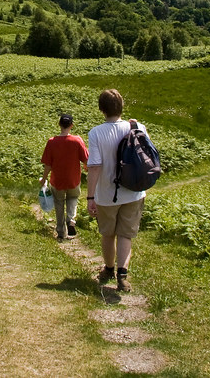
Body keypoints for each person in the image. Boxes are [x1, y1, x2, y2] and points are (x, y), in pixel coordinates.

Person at [86, 89, 147, 293]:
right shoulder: (138, 127)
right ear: (122, 106)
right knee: (125, 235)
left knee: (108, 234)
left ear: (101, 109)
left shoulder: (96, 133)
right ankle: (122, 275)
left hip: (106, 194)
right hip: (133, 191)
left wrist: (90, 196)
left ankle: (109, 269)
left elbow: (95, 166)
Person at [39, 113, 89, 241]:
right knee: (73, 198)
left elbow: (48, 164)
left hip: (57, 180)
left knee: (59, 203)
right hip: (73, 179)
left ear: (59, 124)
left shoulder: (52, 142)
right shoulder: (77, 140)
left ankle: (61, 231)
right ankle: (71, 220)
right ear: (71, 125)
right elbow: (86, 160)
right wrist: (86, 167)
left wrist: (44, 179)